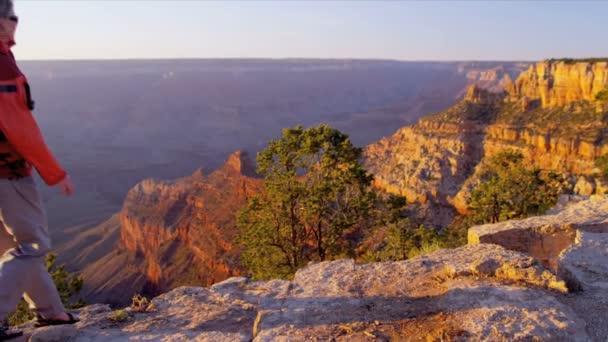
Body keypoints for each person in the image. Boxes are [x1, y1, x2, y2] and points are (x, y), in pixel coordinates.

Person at [0, 0, 78, 340]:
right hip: (8, 173)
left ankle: (52, 313)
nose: (16, 23)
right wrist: (55, 172)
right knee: (32, 246)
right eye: (12, 17)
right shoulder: (3, 67)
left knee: (12, 246)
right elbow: (20, 128)